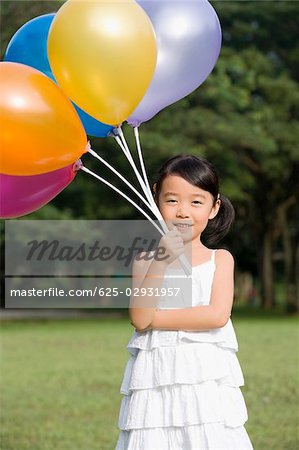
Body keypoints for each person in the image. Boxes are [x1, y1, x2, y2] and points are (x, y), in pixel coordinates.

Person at [115, 154, 254, 450]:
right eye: (172, 200)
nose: (183, 212)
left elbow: (216, 315)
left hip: (204, 378)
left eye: (196, 202)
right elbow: (138, 319)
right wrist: (163, 259)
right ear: (156, 199)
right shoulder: (145, 261)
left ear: (214, 207)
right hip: (155, 377)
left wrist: (154, 318)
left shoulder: (221, 260)